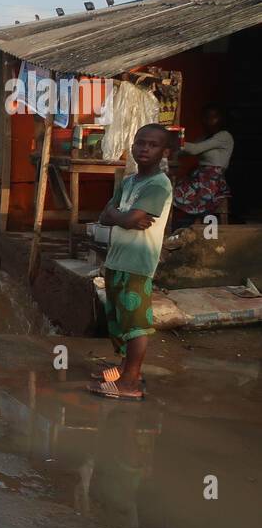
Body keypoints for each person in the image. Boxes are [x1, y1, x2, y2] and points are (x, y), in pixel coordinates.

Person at [89, 124, 174, 402]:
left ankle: (131, 382)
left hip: (137, 263)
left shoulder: (159, 184)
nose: (144, 149)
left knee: (136, 323)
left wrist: (119, 215)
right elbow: (107, 216)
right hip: (116, 259)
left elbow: (128, 218)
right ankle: (124, 368)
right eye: (140, 143)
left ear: (164, 151)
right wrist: (120, 215)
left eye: (152, 145)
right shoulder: (128, 182)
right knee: (119, 319)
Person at [171, 104, 233, 229]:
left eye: (214, 117)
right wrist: (171, 153)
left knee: (174, 194)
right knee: (169, 192)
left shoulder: (224, 136)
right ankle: (185, 225)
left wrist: (175, 140)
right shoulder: (204, 138)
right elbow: (184, 151)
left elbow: (194, 149)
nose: (209, 121)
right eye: (206, 117)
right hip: (198, 178)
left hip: (212, 182)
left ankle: (191, 224)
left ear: (222, 119)